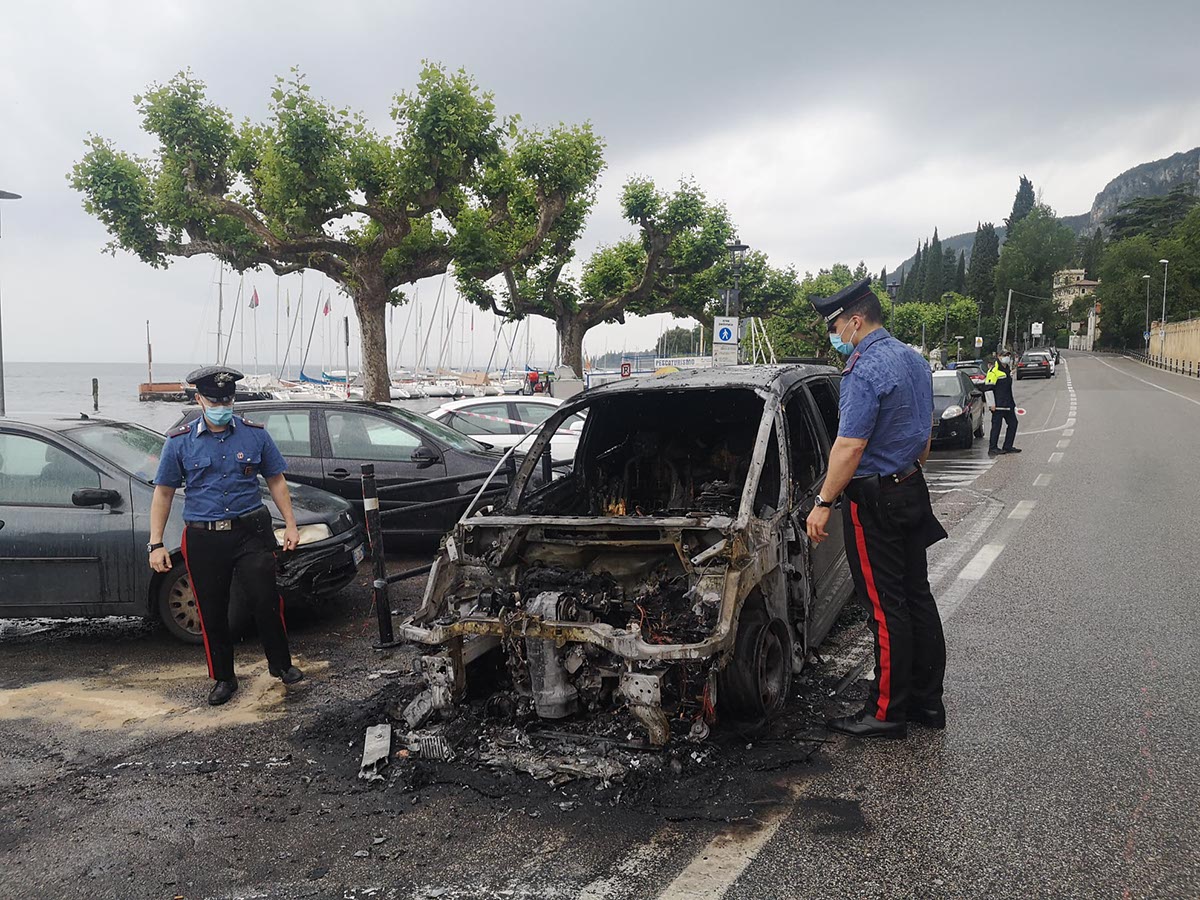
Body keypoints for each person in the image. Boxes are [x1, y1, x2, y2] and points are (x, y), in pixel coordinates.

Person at [805, 278, 949, 739]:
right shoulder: (913, 360)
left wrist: (824, 503)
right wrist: (905, 468)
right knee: (917, 597)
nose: (836, 336)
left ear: (855, 319)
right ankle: (927, 704)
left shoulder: (863, 370)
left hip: (877, 500)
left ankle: (886, 712)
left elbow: (849, 446)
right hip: (910, 486)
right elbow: (924, 436)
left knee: (887, 608)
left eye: (836, 327)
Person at [149, 365, 304, 706]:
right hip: (204, 538)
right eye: (215, 399)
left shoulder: (255, 435)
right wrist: (156, 543)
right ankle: (223, 678)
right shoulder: (179, 443)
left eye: (228, 399)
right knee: (212, 609)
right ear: (200, 399)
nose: (223, 405)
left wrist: (290, 524)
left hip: (250, 531)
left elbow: (276, 480)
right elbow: (163, 493)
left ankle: (281, 665)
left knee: (265, 599)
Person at [981, 351, 1021, 456]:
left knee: (1013, 424)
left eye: (1008, 356)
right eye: (1004, 356)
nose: (1006, 357)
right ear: (998, 357)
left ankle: (1007, 446)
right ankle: (993, 448)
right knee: (996, 426)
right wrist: (991, 404)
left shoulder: (1007, 370)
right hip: (998, 405)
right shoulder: (993, 371)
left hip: (1008, 404)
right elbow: (988, 389)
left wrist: (1012, 403)